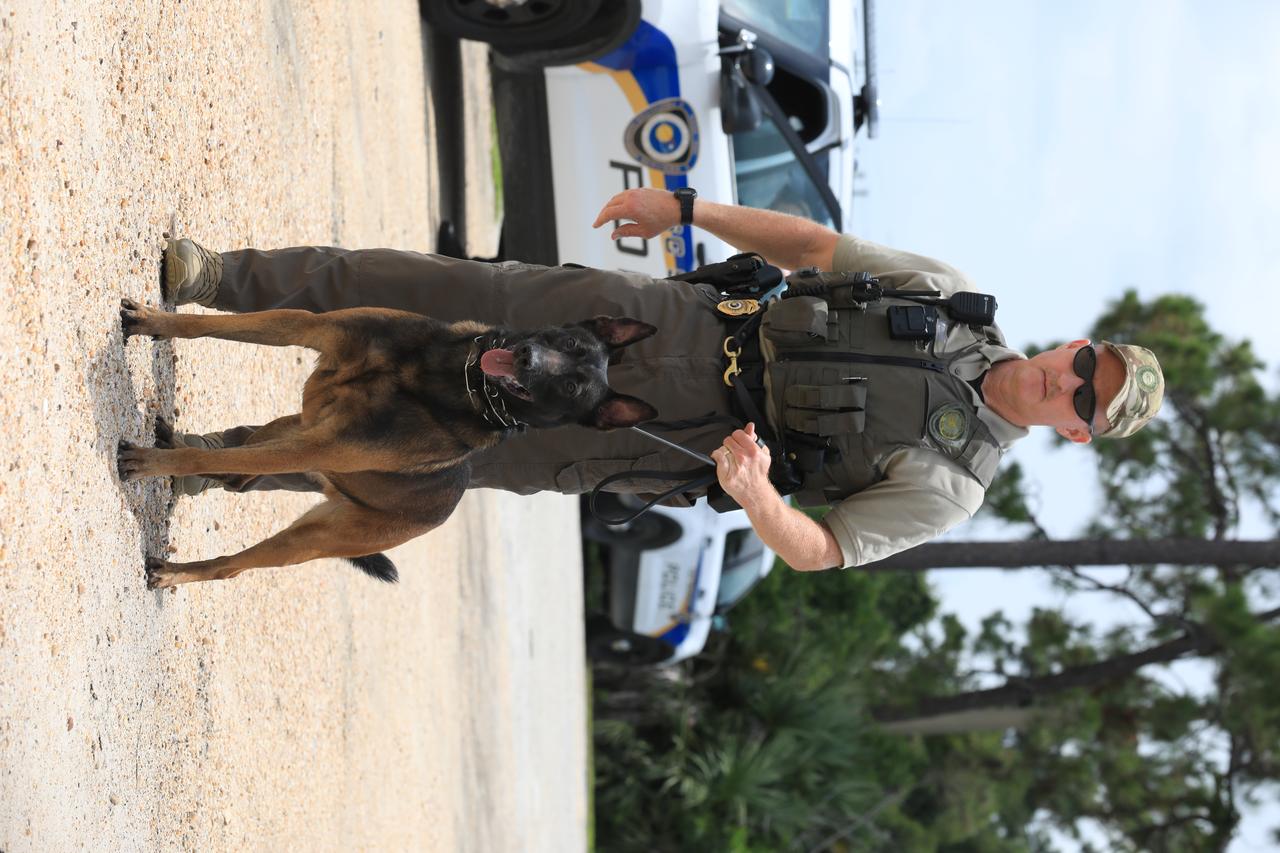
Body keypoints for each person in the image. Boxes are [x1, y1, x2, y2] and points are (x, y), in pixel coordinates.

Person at [160, 187, 1164, 571]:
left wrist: (757, 496)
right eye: (1085, 362)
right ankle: (219, 280)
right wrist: (686, 204)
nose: (1067, 381)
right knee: (427, 289)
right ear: (1072, 342)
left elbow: (821, 549)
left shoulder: (948, 488)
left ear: (1076, 433)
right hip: (663, 317)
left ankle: (212, 466)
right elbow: (815, 244)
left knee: (427, 446)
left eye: (1086, 398)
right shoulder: (951, 296)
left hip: (657, 433)